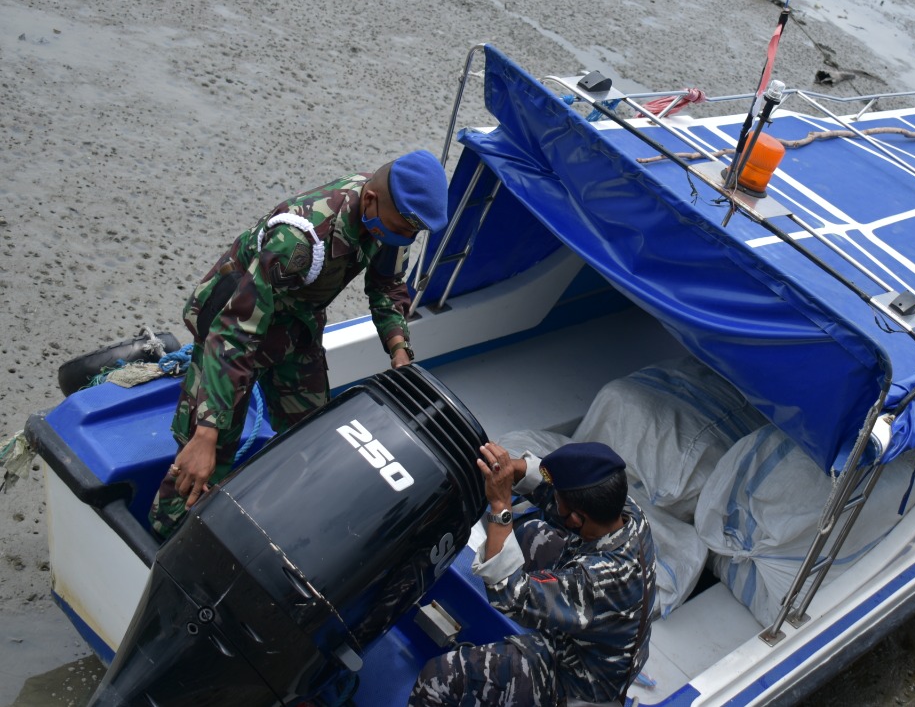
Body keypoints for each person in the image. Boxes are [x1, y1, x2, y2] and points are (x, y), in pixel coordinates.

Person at [149, 151, 449, 538]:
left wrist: (399, 351)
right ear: (372, 201)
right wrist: (207, 432)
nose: (409, 237)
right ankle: (163, 534)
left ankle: (271, 520)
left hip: (295, 325)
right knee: (205, 454)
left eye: (416, 231)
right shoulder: (300, 238)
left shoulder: (389, 223)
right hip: (234, 322)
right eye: (408, 226)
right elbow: (234, 332)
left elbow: (387, 287)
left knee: (314, 436)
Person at [409, 441, 657, 707]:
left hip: (578, 680)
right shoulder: (626, 512)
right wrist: (514, 469)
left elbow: (509, 595)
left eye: (560, 500)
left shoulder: (598, 580)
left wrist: (500, 507)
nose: (555, 499)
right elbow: (560, 493)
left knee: (438, 677)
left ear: (577, 518)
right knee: (532, 534)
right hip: (600, 633)